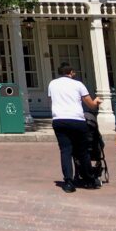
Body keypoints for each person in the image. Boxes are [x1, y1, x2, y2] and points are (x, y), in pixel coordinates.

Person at [48, 63, 100, 193]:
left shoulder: (52, 84)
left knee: (65, 151)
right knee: (83, 151)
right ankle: (89, 179)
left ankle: (69, 182)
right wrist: (97, 102)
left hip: (59, 119)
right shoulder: (78, 84)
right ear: (70, 72)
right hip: (76, 119)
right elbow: (90, 104)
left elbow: (52, 100)